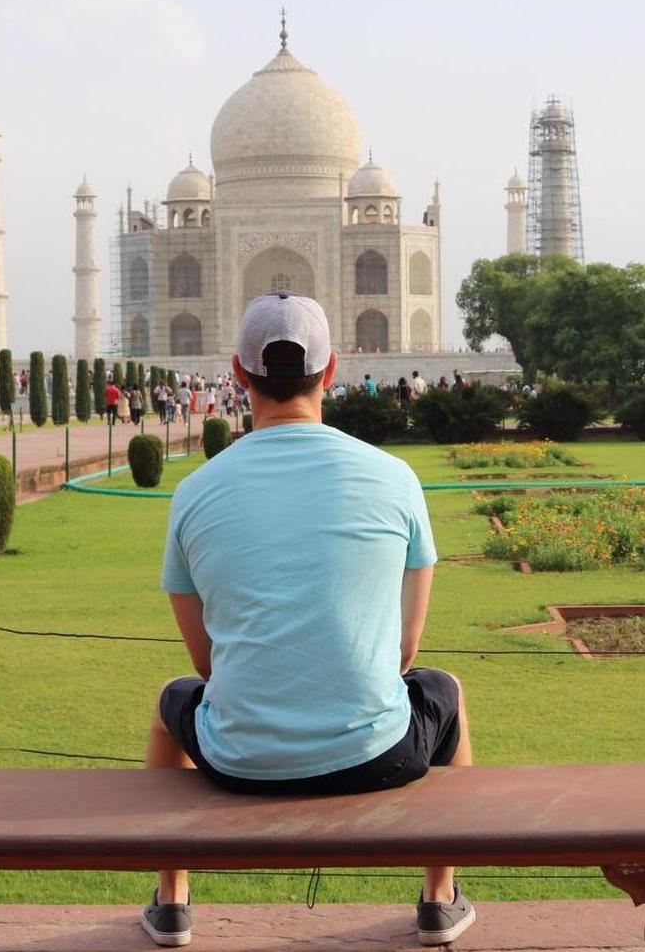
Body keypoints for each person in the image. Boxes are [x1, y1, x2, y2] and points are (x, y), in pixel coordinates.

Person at [143, 293, 475, 948]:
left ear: (237, 374)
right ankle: (439, 895)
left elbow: (205, 665)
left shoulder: (195, 491)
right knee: (445, 690)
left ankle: (171, 896)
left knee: (170, 701)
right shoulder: (394, 476)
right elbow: (406, 650)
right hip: (377, 752)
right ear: (331, 372)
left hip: (236, 757)